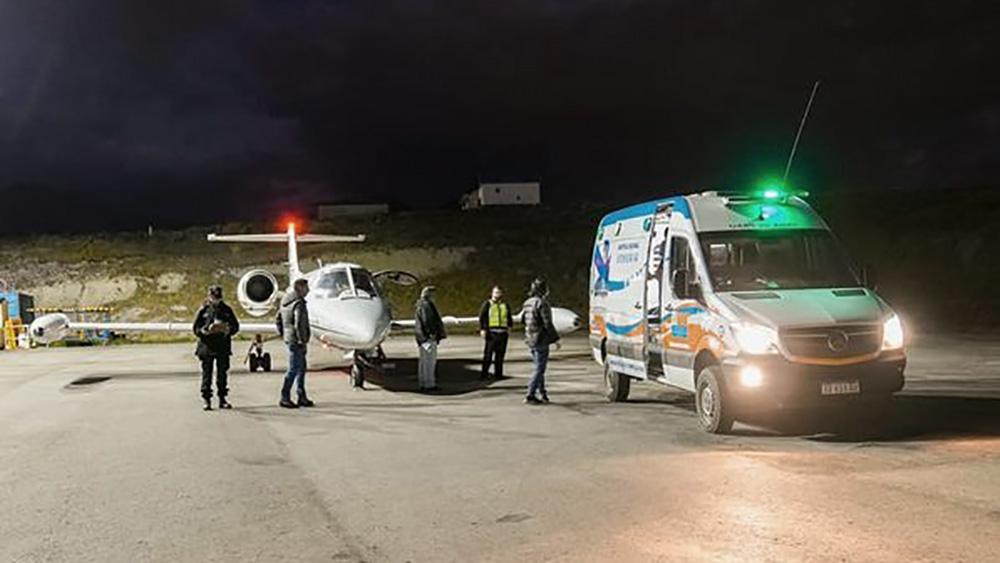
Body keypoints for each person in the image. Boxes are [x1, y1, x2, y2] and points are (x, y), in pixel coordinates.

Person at [192, 285, 240, 411]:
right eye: (214, 297)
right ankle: (206, 399)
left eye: (218, 298)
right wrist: (204, 331)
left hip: (222, 347)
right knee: (207, 374)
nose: (216, 300)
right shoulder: (203, 310)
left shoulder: (227, 310)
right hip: (207, 347)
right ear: (209, 296)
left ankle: (222, 398)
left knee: (222, 374)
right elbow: (196, 328)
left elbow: (235, 326)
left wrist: (228, 330)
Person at [276, 279, 314, 409]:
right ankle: (285, 397)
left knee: (301, 368)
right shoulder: (299, 303)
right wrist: (302, 340)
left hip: (290, 339)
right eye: (306, 287)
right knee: (294, 369)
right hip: (297, 341)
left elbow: (278, 320)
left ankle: (301, 395)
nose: (308, 290)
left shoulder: (285, 302)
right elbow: (299, 323)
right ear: (300, 288)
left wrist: (284, 335)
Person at [522, 278, 560, 405]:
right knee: (539, 369)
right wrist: (555, 339)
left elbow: (523, 320)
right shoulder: (542, 303)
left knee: (538, 367)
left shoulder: (527, 303)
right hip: (540, 339)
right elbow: (547, 323)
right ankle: (530, 394)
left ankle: (543, 393)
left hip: (530, 339)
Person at [414, 285, 446, 392]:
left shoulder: (420, 305)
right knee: (430, 362)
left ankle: (423, 383)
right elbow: (428, 321)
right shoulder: (427, 306)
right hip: (428, 337)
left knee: (423, 361)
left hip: (422, 337)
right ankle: (429, 384)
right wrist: (432, 334)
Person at [478, 285, 513, 379]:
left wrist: (509, 327)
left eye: (499, 292)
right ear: (492, 293)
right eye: (495, 292)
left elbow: (509, 317)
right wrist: (483, 329)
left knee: (500, 355)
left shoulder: (505, 305)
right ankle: (484, 374)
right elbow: (482, 317)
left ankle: (498, 374)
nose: (497, 294)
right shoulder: (487, 304)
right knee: (488, 355)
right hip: (491, 333)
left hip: (502, 333)